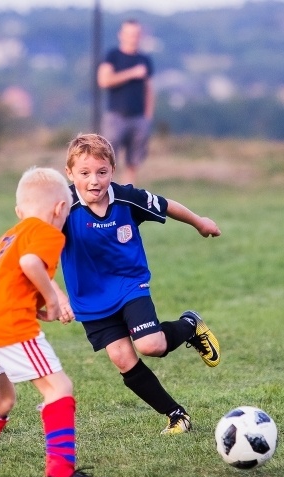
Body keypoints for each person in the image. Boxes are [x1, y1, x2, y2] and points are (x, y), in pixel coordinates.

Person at [0, 167, 116, 477]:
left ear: (20, 211)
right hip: (7, 325)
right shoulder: (47, 232)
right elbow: (31, 264)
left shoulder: (5, 239)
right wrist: (52, 299)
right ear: (61, 210)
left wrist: (36, 306)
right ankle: (62, 475)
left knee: (1, 399)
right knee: (59, 387)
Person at [58, 133, 221, 435]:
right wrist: (50, 295)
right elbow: (38, 245)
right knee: (122, 358)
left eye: (102, 172)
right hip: (90, 299)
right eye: (84, 173)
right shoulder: (63, 208)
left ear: (112, 171)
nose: (94, 180)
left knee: (151, 346)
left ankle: (189, 325)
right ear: (70, 174)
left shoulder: (125, 198)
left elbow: (165, 204)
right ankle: (176, 415)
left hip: (129, 285)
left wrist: (199, 222)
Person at [97, 19, 154, 186]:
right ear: (121, 35)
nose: (133, 38)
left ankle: (127, 197)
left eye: (136, 34)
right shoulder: (112, 56)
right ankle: (107, 196)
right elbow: (104, 80)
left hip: (139, 118)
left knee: (133, 162)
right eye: (129, 34)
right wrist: (132, 73)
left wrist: (147, 117)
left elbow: (149, 89)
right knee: (106, 159)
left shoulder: (145, 59)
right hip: (116, 117)